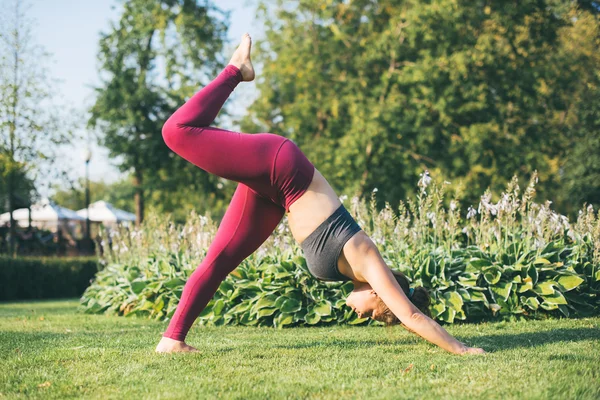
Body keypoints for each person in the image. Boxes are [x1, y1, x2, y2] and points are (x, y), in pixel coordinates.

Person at [155, 34, 485, 356]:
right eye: (372, 314)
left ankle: (173, 340)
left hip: (277, 196)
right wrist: (462, 348)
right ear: (378, 293)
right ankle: (237, 70)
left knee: (221, 259)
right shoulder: (368, 260)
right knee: (176, 131)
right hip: (281, 166)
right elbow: (412, 316)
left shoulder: (357, 270)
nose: (361, 317)